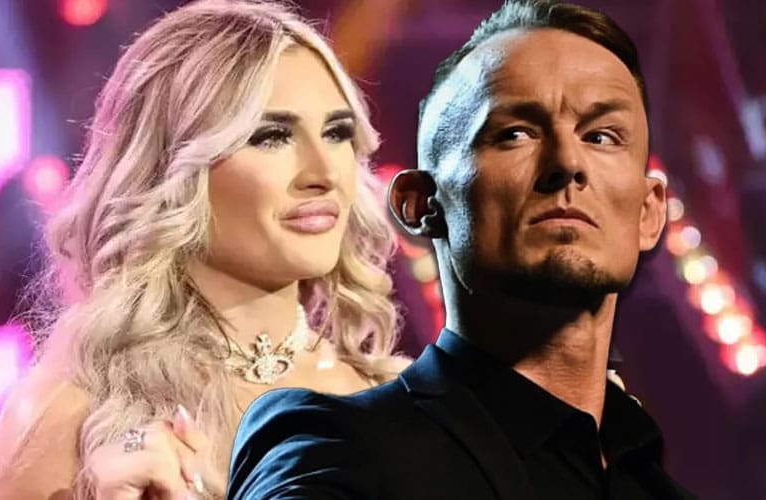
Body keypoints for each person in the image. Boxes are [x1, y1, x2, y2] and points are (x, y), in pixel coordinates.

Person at [228, 1, 697, 498]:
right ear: (419, 203)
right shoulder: (335, 448)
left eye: (601, 136)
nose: (568, 162)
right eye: (515, 134)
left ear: (649, 213)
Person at [0, 0, 410, 498]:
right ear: (173, 170)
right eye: (271, 136)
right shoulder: (72, 413)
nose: (324, 173)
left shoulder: (401, 404)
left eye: (337, 133)